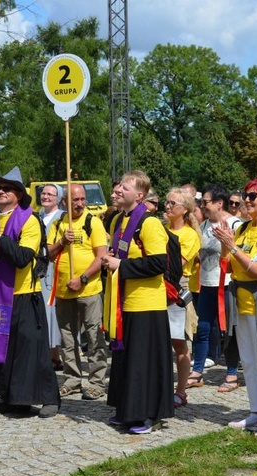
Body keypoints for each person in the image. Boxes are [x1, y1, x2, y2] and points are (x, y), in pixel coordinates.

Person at [0, 166, 61, 417]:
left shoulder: (30, 220)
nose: (0, 192)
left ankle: (45, 398)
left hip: (23, 294)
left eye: (7, 188)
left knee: (30, 350)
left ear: (18, 194)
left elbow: (21, 258)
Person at [103, 170, 174, 434]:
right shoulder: (117, 221)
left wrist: (120, 263)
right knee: (127, 362)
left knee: (144, 363)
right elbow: (119, 252)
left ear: (140, 195)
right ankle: (128, 411)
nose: (118, 190)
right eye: (119, 186)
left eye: (125, 187)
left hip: (147, 304)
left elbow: (158, 263)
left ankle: (149, 415)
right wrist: (110, 259)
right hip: (124, 302)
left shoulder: (149, 223)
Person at [214, 178, 257, 438]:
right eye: (245, 194)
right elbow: (230, 264)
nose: (247, 200)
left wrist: (232, 246)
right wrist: (225, 241)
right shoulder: (243, 229)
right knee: (249, 360)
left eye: (253, 196)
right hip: (241, 299)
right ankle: (256, 413)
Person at [47, 183, 108, 400]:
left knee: (93, 336)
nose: (81, 203)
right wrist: (63, 241)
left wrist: (82, 279)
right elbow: (48, 253)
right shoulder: (58, 224)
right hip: (64, 292)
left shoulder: (93, 223)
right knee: (67, 338)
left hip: (89, 289)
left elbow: (102, 256)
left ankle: (97, 381)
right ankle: (72, 379)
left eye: (83, 199)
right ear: (65, 202)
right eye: (76, 200)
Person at [189, 184, 243, 392]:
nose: (202, 206)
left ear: (220, 203)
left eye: (206, 202)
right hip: (206, 283)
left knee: (229, 330)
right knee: (202, 328)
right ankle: (198, 371)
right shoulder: (203, 227)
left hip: (227, 284)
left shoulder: (235, 224)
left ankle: (231, 374)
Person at [163, 187, 201, 408]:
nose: (167, 207)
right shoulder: (162, 228)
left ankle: (180, 390)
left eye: (172, 204)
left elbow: (179, 264)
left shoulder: (189, 234)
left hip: (177, 286)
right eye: (167, 203)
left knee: (180, 342)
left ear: (185, 209)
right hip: (158, 286)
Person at [38, 184, 65, 371]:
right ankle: (48, 353)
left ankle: (54, 354)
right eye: (44, 193)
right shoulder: (36, 216)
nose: (45, 196)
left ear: (58, 198)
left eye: (50, 194)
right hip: (38, 270)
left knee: (53, 311)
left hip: (54, 269)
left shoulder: (61, 218)